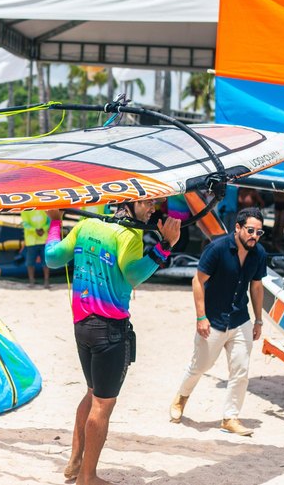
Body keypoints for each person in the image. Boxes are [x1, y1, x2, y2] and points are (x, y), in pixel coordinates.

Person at [45, 200, 181, 485]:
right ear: (130, 202)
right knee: (102, 405)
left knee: (91, 393)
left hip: (81, 327)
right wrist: (164, 247)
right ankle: (87, 477)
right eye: (147, 201)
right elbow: (132, 277)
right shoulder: (127, 235)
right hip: (109, 331)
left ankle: (74, 462)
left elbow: (52, 258)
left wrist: (55, 221)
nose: (153, 207)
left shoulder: (86, 225)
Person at [169, 206, 267, 437]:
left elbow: (257, 286)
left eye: (259, 232)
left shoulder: (259, 253)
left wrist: (259, 320)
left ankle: (230, 418)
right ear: (238, 228)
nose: (254, 236)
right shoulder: (217, 248)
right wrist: (200, 317)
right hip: (212, 319)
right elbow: (198, 281)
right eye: (251, 230)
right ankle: (181, 397)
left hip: (240, 319)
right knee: (200, 366)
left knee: (241, 371)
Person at [20, 209, 51, 288]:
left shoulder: (45, 209)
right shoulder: (25, 210)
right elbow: (25, 223)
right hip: (31, 241)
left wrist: (43, 229)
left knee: (46, 262)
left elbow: (49, 221)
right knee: (30, 263)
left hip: (44, 240)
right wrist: (35, 230)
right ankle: (31, 281)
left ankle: (46, 281)